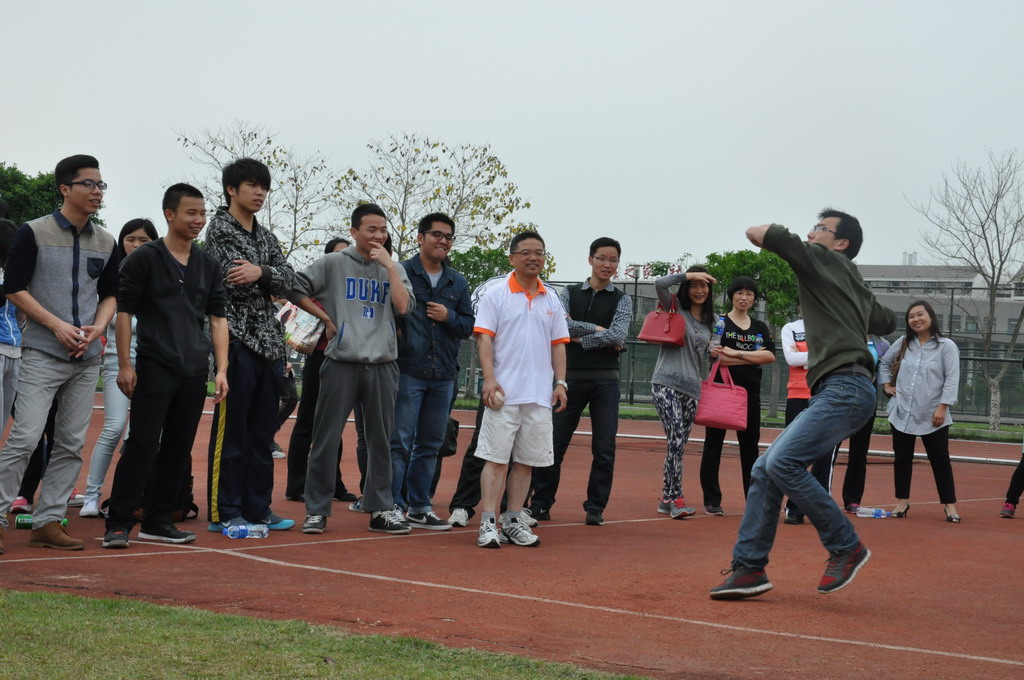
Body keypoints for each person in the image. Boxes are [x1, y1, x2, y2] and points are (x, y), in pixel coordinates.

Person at [710, 209, 896, 600]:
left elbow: (760, 232)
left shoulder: (825, 259)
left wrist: (792, 240)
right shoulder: (853, 280)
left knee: (781, 462)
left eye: (820, 229)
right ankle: (749, 569)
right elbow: (886, 320)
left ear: (841, 243)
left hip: (844, 386)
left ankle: (845, 545)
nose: (812, 233)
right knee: (764, 469)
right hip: (843, 389)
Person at [0, 154, 119, 554]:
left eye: (101, 185)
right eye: (89, 184)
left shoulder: (106, 240)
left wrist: (99, 327)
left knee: (70, 443)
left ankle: (48, 521)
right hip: (41, 352)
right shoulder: (33, 233)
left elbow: (111, 294)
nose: (97, 191)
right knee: (26, 438)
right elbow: (14, 288)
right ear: (65, 188)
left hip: (87, 360)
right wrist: (55, 325)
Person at [102, 184, 229, 548]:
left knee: (177, 446)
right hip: (154, 364)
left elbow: (218, 319)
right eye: (191, 212)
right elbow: (123, 313)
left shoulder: (208, 265)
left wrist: (220, 370)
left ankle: (158, 520)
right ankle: (119, 522)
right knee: (142, 443)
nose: (199, 220)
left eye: (202, 213)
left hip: (194, 370)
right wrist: (126, 364)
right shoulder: (144, 258)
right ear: (170, 214)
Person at [289, 203, 413, 535]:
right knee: (325, 438)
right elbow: (295, 286)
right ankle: (316, 510)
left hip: (383, 364)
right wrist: (326, 319)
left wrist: (388, 266)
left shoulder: (394, 268)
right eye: (371, 229)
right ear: (354, 232)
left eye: (383, 230)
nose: (378, 235)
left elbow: (403, 307)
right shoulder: (333, 264)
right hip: (341, 362)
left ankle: (380, 508)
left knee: (380, 441)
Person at [205, 158, 296, 532]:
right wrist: (266, 276)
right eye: (252, 186)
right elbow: (233, 278)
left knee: (262, 435)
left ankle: (258, 507)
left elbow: (290, 281)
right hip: (237, 341)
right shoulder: (219, 230)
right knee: (233, 434)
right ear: (232, 189)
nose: (260, 193)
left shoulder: (266, 236)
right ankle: (224, 510)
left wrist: (263, 272)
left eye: (264, 187)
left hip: (271, 346)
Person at [474, 231, 569, 548]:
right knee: (497, 459)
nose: (534, 258)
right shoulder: (496, 294)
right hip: (504, 394)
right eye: (526, 252)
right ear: (512, 257)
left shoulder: (551, 298)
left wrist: (560, 383)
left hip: (539, 396)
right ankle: (488, 521)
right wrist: (489, 379)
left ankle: (513, 519)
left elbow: (558, 345)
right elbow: (484, 338)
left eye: (539, 253)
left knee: (526, 462)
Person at [529, 237, 632, 526]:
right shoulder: (567, 293)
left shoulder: (623, 299)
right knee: (554, 444)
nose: (607, 265)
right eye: (601, 258)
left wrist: (578, 339)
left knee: (604, 447)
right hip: (569, 379)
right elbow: (560, 324)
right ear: (590, 260)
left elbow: (618, 335)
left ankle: (595, 507)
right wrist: (598, 329)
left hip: (606, 382)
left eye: (613, 260)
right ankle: (540, 504)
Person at [390, 213, 473, 530]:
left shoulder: (457, 281)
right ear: (420, 237)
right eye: (436, 234)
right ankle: (394, 505)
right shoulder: (402, 273)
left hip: (444, 376)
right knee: (399, 441)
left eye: (448, 236)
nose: (443, 241)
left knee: (430, 445)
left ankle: (420, 506)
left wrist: (447, 315)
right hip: (408, 371)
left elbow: (468, 326)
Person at [80, 219, 159, 518]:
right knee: (114, 428)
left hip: (153, 367)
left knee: (151, 435)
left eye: (143, 240)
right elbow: (109, 319)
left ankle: (140, 497)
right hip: (116, 364)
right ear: (120, 243)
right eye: (130, 239)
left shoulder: (160, 279)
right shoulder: (112, 280)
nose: (136, 246)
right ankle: (91, 495)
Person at [284, 237, 357, 503]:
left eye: (347, 253)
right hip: (319, 355)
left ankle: (333, 484)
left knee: (334, 425)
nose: (344, 259)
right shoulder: (320, 282)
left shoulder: (353, 283)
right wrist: (328, 317)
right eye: (339, 254)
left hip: (345, 358)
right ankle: (296, 485)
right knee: (307, 421)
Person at [878, 300, 961, 522]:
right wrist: (887, 386)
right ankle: (902, 502)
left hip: (933, 414)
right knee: (902, 458)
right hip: (902, 411)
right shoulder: (904, 342)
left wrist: (943, 407)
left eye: (920, 314)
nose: (916, 319)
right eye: (911, 316)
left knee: (940, 460)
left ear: (931, 316)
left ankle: (949, 506)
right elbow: (884, 363)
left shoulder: (946, 346)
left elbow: (952, 378)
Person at [699, 276, 775, 515]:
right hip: (721, 390)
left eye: (749, 294)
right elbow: (716, 357)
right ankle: (712, 500)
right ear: (732, 296)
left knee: (750, 447)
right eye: (740, 293)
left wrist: (735, 354)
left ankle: (752, 500)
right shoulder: (719, 323)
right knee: (714, 444)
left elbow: (770, 357)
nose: (744, 298)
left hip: (749, 392)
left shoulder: (760, 327)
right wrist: (751, 355)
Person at [651, 266, 717, 519]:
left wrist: (713, 355)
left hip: (692, 389)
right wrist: (688, 275)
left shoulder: (714, 322)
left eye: (704, 286)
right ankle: (675, 498)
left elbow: (708, 357)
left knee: (678, 445)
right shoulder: (674, 307)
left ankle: (666, 498)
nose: (699, 290)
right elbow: (660, 283)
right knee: (676, 439)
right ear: (687, 288)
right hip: (665, 382)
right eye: (694, 285)